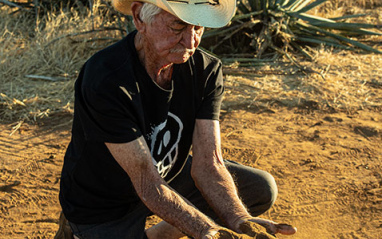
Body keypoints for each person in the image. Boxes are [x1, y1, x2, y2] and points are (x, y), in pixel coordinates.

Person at [58, 0, 297, 238]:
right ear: (140, 17)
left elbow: (209, 164)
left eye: (198, 27)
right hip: (103, 200)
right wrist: (207, 230)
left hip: (166, 174)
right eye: (178, 26)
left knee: (258, 188)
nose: (191, 41)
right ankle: (77, 231)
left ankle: (155, 236)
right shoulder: (107, 78)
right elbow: (146, 182)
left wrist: (240, 219)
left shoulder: (206, 70)